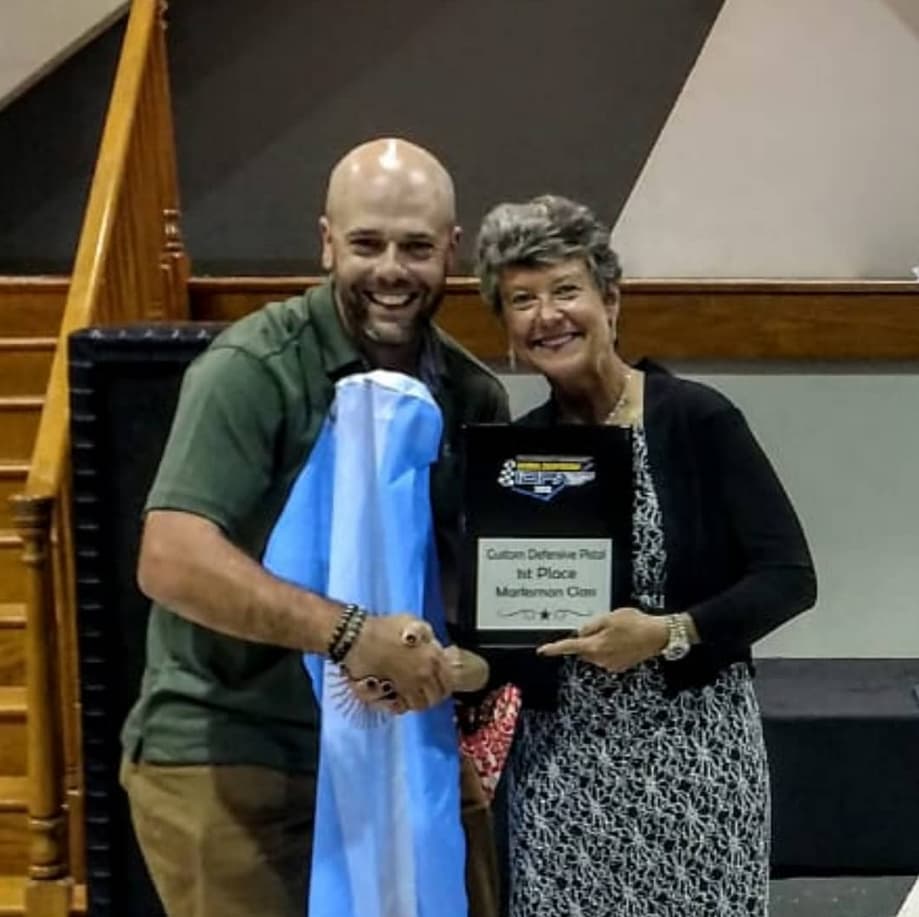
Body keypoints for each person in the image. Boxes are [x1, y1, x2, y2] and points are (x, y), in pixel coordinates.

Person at [119, 138, 509, 917]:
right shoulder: (252, 368)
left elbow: (476, 578)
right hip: (240, 750)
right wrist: (347, 633)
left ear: (451, 252)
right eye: (366, 243)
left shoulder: (472, 394)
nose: (391, 270)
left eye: (416, 247)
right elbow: (170, 557)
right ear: (327, 241)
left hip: (402, 743)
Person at [473, 194, 817, 917]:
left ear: (610, 299)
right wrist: (461, 663)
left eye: (565, 290)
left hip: (695, 765)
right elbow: (514, 625)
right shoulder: (517, 451)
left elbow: (787, 578)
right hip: (563, 774)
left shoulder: (697, 418)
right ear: (505, 329)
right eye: (521, 300)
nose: (547, 315)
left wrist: (666, 633)